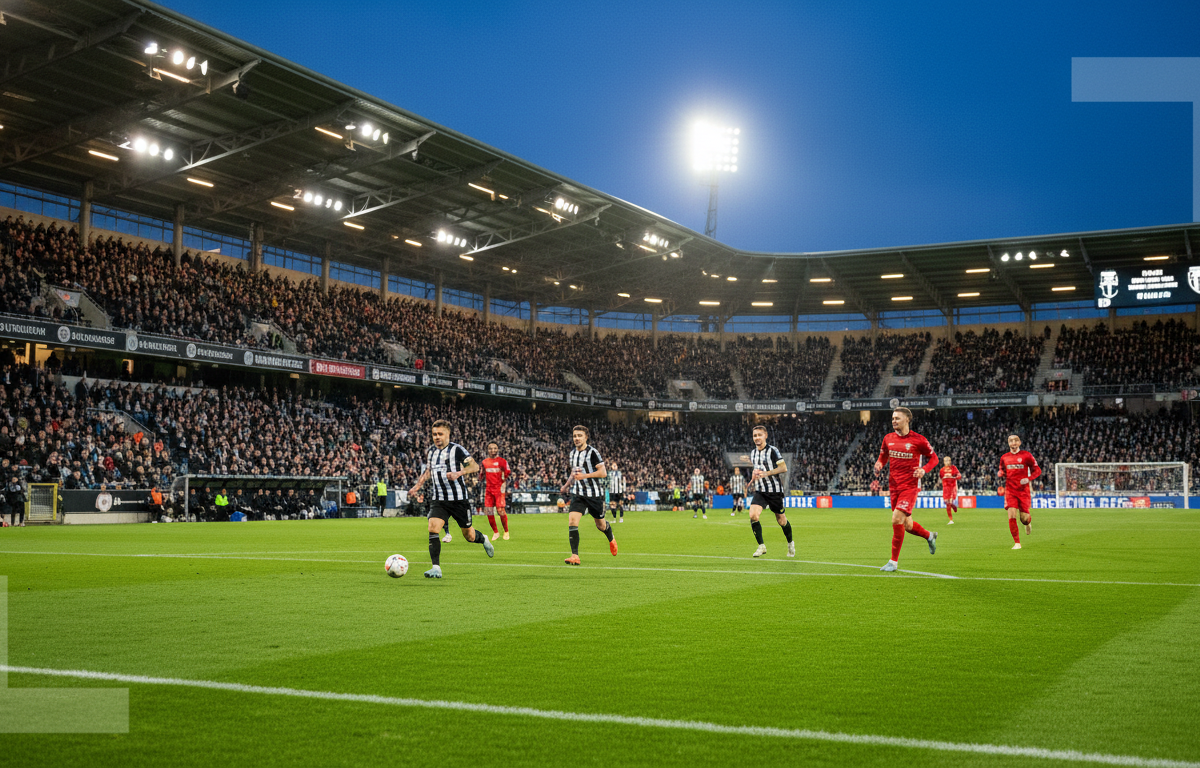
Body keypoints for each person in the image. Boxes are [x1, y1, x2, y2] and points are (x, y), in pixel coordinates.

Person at [407, 419, 494, 578]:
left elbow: (474, 466)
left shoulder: (457, 450)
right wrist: (416, 487)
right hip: (439, 499)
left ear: (448, 434)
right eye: (434, 434)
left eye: (440, 434)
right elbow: (428, 471)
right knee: (433, 528)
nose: (437, 437)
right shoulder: (431, 451)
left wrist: (458, 473)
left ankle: (484, 539)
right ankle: (436, 568)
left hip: (459, 500)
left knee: (469, 536)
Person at [874, 407, 939, 572]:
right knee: (907, 525)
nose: (893, 421)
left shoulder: (919, 440)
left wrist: (924, 470)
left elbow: (934, 458)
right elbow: (883, 455)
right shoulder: (888, 438)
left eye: (897, 418)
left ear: (907, 419)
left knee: (896, 519)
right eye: (893, 418)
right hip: (894, 486)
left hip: (910, 486)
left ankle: (893, 562)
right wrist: (880, 464)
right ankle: (929, 536)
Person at [560, 425, 617, 565]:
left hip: (594, 495)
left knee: (601, 525)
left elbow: (603, 473)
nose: (577, 438)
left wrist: (586, 475)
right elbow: (575, 473)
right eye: (574, 436)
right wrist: (566, 485)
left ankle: (611, 538)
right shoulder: (572, 453)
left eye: (580, 435)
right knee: (572, 521)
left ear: (586, 437)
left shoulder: (593, 452)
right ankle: (575, 555)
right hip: (578, 494)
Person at [747, 425, 795, 558]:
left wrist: (766, 473)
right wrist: (755, 474)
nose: (757, 438)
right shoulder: (753, 453)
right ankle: (761, 546)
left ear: (765, 436)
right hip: (760, 490)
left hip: (774, 491)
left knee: (781, 520)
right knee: (753, 516)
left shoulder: (773, 450)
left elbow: (783, 468)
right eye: (755, 435)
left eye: (759, 435)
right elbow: (757, 469)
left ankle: (790, 543)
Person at [999, 432, 1041, 550]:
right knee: (1011, 514)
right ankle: (1017, 543)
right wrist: (1000, 473)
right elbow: (1001, 469)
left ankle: (1028, 524)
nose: (1013, 443)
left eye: (1016, 440)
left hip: (1023, 491)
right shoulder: (1004, 457)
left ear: (1019, 443)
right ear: (1008, 443)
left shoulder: (1026, 455)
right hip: (1010, 490)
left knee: (1024, 518)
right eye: (1011, 441)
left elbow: (1037, 471)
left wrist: (1028, 479)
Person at [480, 442, 511, 541]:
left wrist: (503, 484)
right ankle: (496, 532)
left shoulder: (502, 461)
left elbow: (507, 473)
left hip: (499, 490)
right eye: (490, 448)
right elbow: (481, 475)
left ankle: (506, 531)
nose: (493, 450)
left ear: (498, 449)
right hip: (489, 490)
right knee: (489, 511)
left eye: (495, 448)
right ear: (487, 450)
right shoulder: (485, 462)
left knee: (500, 511)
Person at [939, 455, 960, 524]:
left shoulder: (954, 468)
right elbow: (941, 477)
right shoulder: (942, 470)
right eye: (945, 460)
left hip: (952, 487)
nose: (947, 462)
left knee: (949, 502)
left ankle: (951, 520)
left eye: (948, 460)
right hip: (945, 488)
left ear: (950, 461)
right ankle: (954, 506)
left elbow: (959, 475)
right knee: (946, 502)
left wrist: (955, 477)